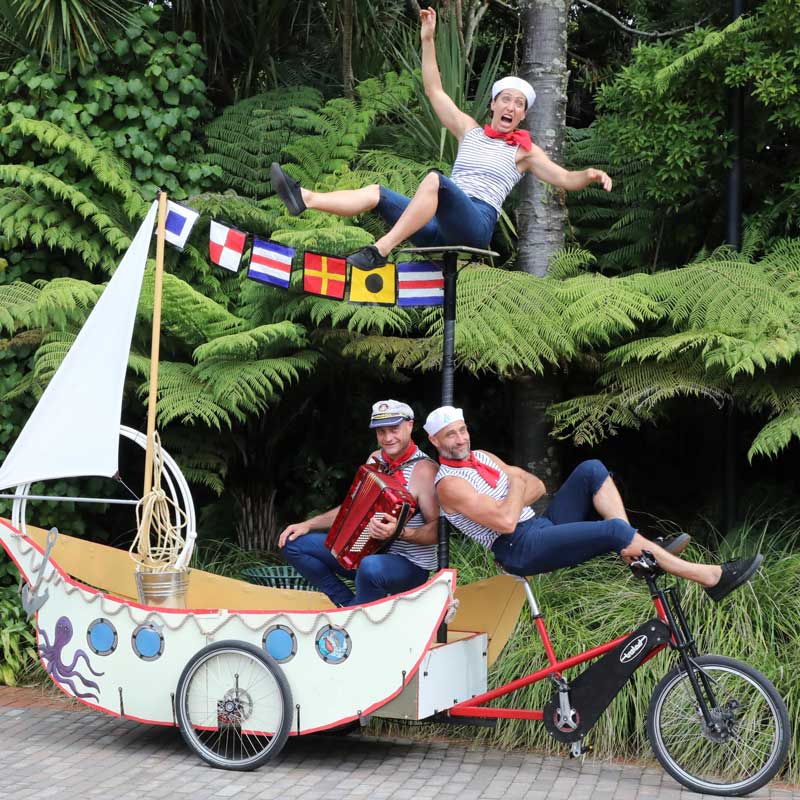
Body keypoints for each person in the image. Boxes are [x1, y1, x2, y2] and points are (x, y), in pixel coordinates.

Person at [270, 7, 612, 269]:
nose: (511, 106)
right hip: (434, 226)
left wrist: (592, 175)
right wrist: (428, 39)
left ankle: (381, 250)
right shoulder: (470, 131)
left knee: (436, 180)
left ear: (522, 115)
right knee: (377, 193)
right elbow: (434, 90)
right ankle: (306, 198)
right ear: (493, 105)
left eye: (518, 104)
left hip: (475, 224)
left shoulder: (523, 151)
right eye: (505, 99)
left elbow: (565, 179)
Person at [424, 406, 762, 601]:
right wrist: (514, 483)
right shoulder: (450, 485)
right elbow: (506, 522)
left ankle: (637, 554)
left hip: (537, 526)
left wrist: (513, 497)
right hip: (517, 547)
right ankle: (710, 578)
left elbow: (539, 486)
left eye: (463, 430)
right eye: (451, 435)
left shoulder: (482, 456)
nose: (461, 439)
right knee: (613, 530)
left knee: (591, 470)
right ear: (434, 441)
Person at [280, 400, 439, 606]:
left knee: (369, 566)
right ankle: (348, 605)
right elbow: (352, 509)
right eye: (381, 432)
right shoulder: (375, 459)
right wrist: (307, 524)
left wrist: (398, 532)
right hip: (365, 552)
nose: (388, 438)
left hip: (409, 566)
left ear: (410, 425)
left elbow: (438, 532)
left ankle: (358, 615)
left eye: (394, 429)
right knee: (293, 544)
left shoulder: (425, 470)